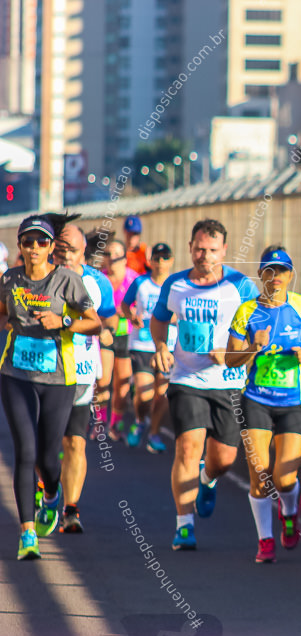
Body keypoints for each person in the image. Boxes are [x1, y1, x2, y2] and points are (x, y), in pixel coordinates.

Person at [151, 219, 258, 551]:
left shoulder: (241, 286)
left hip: (228, 382)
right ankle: (184, 525)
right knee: (188, 447)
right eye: (199, 248)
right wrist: (162, 347)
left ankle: (207, 478)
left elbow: (257, 333)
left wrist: (233, 353)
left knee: (224, 458)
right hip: (186, 379)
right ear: (190, 248)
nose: (205, 256)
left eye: (212, 250)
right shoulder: (176, 284)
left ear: (224, 250)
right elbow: (158, 320)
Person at [0, 213, 101, 559]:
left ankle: (52, 495)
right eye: (28, 242)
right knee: (25, 452)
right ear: (21, 246)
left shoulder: (67, 281)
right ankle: (28, 533)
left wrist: (65, 321)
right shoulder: (10, 280)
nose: (34, 248)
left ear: (50, 248)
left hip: (59, 379)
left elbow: (95, 323)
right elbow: (2, 313)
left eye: (42, 242)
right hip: (16, 375)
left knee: (48, 457)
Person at [225, 246, 301, 563]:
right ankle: (265, 540)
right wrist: (254, 347)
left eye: (281, 271)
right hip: (256, 400)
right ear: (260, 274)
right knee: (258, 471)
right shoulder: (246, 311)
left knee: (283, 478)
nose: (275, 277)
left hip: (295, 402)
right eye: (269, 270)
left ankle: (291, 510)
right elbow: (230, 359)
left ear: (291, 274)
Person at [54, 224, 117, 533]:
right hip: (44, 372)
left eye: (73, 252)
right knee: (47, 444)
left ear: (84, 252)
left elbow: (111, 317)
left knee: (75, 442)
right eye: (61, 252)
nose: (66, 258)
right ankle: (47, 485)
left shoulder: (97, 282)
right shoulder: (39, 277)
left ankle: (71, 509)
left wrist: (107, 331)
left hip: (81, 372)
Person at [120, 242, 177, 452]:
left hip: (168, 345)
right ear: (150, 261)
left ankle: (154, 432)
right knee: (144, 395)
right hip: (142, 343)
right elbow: (125, 305)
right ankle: (140, 419)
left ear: (171, 260)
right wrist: (131, 316)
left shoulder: (178, 284)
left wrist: (173, 318)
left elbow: (183, 312)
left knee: (161, 393)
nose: (161, 262)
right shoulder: (141, 282)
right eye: (157, 258)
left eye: (165, 257)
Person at [101, 239, 141, 440]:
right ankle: (99, 423)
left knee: (122, 384)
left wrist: (130, 313)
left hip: (126, 335)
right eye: (107, 254)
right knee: (103, 379)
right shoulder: (100, 279)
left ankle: (115, 424)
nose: (111, 259)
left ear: (125, 259)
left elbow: (142, 308)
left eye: (115, 255)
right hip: (105, 332)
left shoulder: (134, 280)